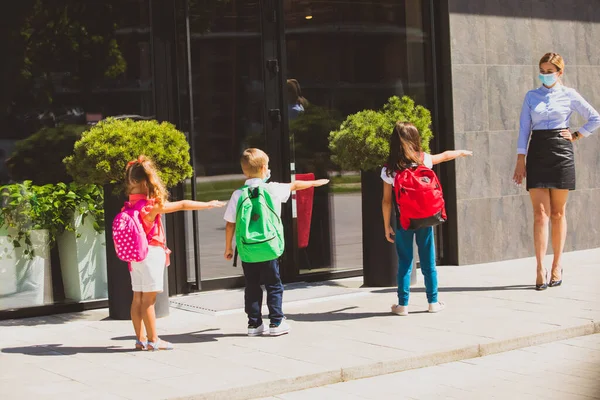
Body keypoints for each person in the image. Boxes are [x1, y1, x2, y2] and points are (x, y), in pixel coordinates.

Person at [512, 52, 600, 290]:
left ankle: (557, 266)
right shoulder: (531, 96)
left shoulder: (569, 95)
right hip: (538, 151)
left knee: (558, 213)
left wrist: (576, 135)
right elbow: (523, 128)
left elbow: (595, 118)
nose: (545, 75)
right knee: (540, 214)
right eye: (542, 70)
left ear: (560, 72)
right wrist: (521, 158)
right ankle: (540, 267)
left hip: (561, 151)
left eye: (550, 71)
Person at [223, 148, 328, 336]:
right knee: (274, 284)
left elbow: (230, 224)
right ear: (264, 168)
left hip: (247, 249)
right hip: (270, 247)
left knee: (252, 285)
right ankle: (276, 322)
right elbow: (295, 185)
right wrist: (315, 182)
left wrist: (228, 247)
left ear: (244, 171)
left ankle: (253, 325)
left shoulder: (238, 195)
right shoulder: (273, 189)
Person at [125, 156, 225, 350]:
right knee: (149, 300)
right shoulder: (150, 206)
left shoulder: (129, 205)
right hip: (151, 253)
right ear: (147, 181)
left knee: (137, 297)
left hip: (135, 257)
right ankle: (154, 340)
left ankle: (140, 339)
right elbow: (182, 204)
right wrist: (207, 204)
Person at [381, 122, 472, 316]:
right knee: (428, 262)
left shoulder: (389, 169)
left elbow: (386, 201)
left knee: (405, 262)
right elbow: (445, 155)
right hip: (426, 218)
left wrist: (386, 225)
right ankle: (433, 301)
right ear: (415, 139)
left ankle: (403, 305)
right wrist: (461, 152)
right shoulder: (424, 160)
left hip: (404, 221)